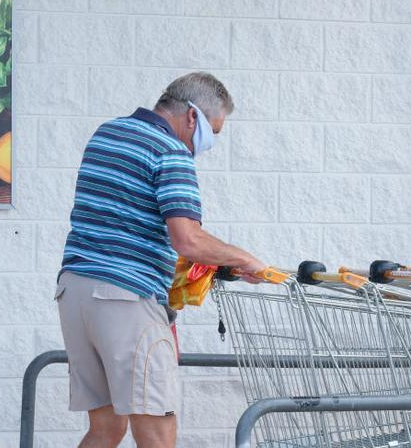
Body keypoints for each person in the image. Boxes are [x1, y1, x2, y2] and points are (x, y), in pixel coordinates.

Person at [55, 72, 267, 448]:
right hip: (125, 299)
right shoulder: (170, 150)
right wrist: (243, 258)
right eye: (212, 131)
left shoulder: (107, 133)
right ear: (191, 116)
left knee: (106, 428)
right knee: (157, 429)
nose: (208, 142)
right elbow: (187, 239)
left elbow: (123, 215)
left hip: (75, 293)